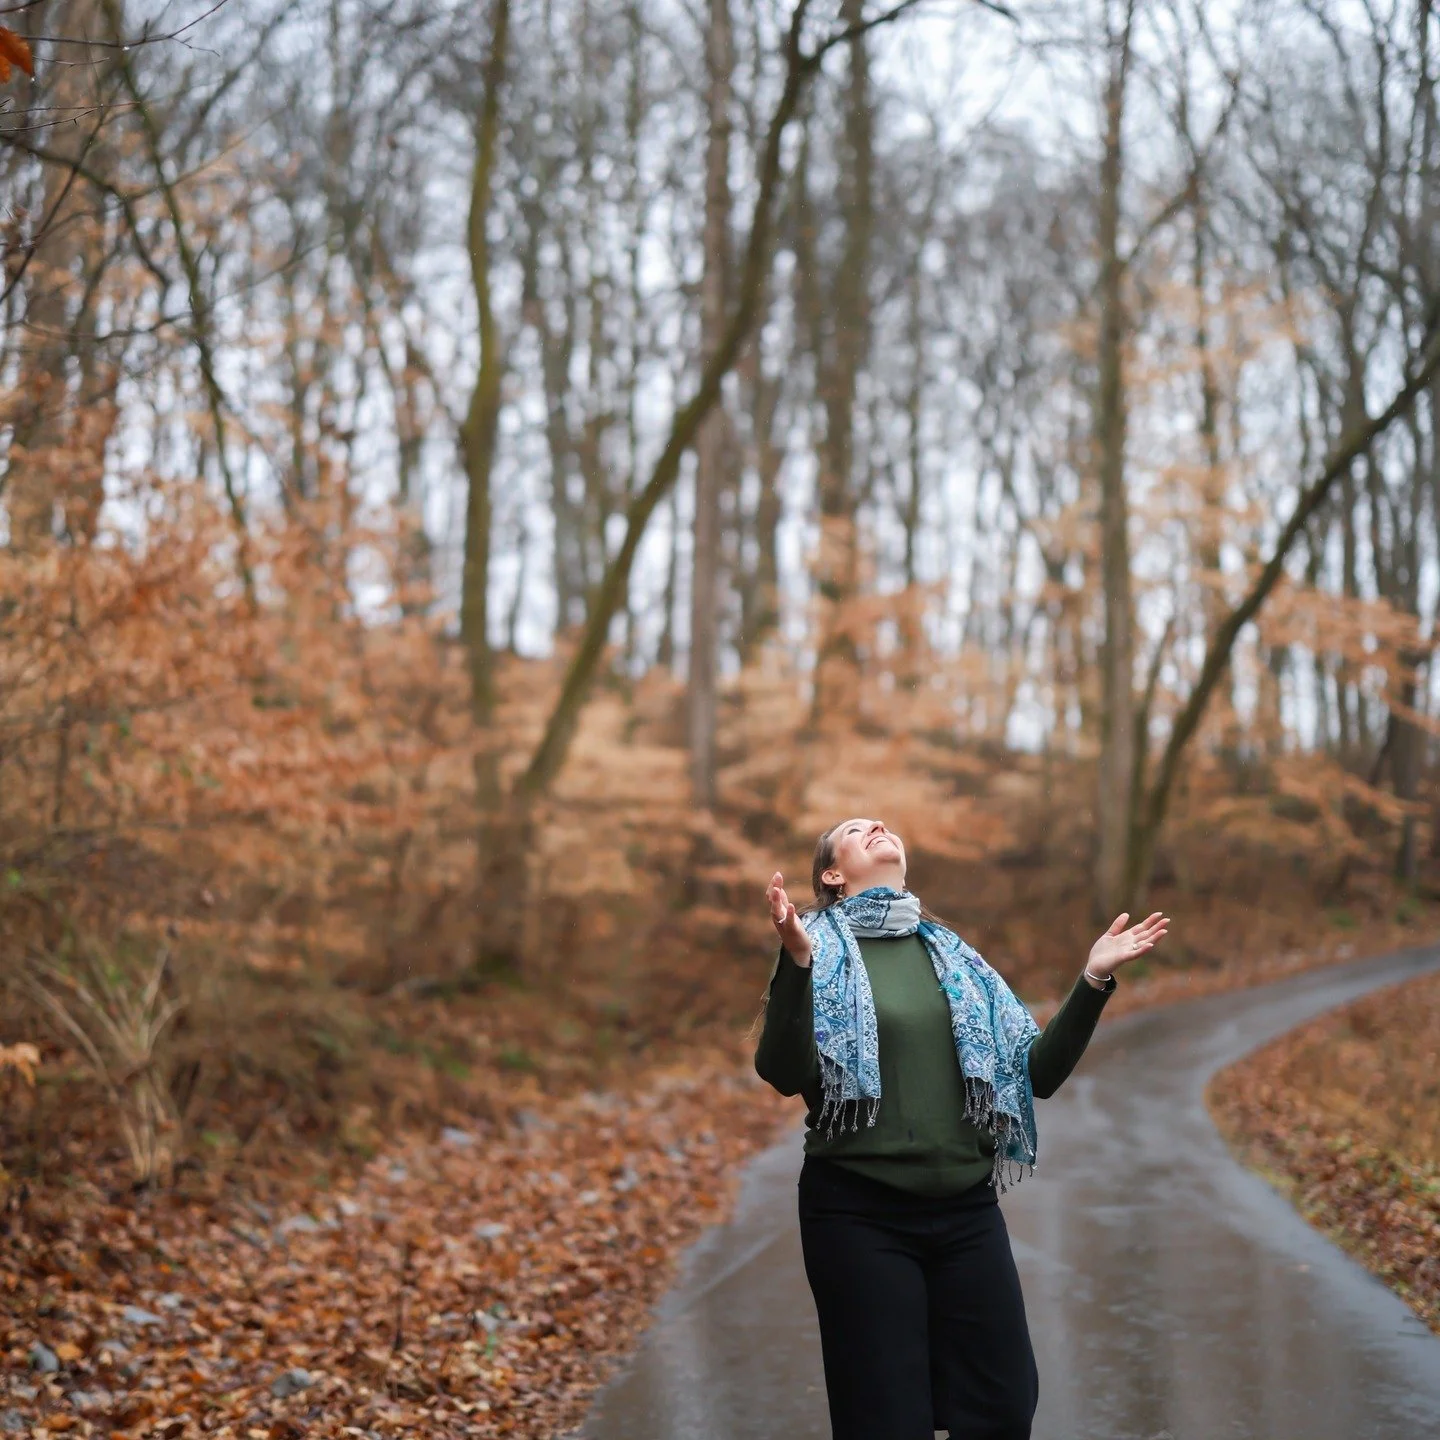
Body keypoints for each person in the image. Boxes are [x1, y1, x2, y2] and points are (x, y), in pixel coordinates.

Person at [755, 817, 1169, 1440]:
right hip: (857, 1214)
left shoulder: (952, 957)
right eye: (856, 829)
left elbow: (1037, 1072)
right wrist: (795, 963)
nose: (877, 826)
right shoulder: (816, 949)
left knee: (1003, 1407)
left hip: (966, 1212)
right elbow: (783, 1071)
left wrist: (1093, 979)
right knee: (887, 1420)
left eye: (881, 823)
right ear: (831, 875)